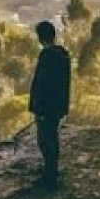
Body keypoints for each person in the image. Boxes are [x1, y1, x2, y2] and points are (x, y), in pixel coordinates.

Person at [28, 19, 71, 189]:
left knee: (45, 141)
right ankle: (51, 171)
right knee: (53, 137)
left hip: (46, 107)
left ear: (40, 37)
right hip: (58, 106)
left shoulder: (47, 56)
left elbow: (41, 84)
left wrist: (38, 107)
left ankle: (50, 178)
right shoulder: (63, 55)